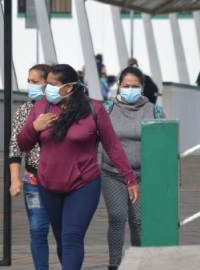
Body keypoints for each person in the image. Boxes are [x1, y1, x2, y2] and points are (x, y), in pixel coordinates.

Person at [17, 64, 139, 270]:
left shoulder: (94, 109)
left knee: (72, 236)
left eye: (53, 85)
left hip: (84, 184)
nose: (47, 89)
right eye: (46, 84)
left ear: (69, 87)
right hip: (48, 184)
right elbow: (22, 144)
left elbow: (112, 146)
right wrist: (33, 127)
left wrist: (129, 178)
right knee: (61, 239)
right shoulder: (41, 108)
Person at [101, 66, 166, 270]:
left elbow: (167, 142)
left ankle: (139, 262)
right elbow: (91, 137)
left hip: (142, 175)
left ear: (143, 88)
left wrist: (176, 170)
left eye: (135, 86)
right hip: (112, 174)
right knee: (117, 218)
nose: (130, 89)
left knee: (138, 221)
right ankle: (115, 264)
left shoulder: (154, 111)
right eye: (126, 86)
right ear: (119, 86)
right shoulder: (107, 109)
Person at [9, 64, 50, 270]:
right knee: (37, 229)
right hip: (33, 182)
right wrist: (15, 179)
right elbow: (15, 147)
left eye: (35, 82)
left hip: (61, 182)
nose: (30, 86)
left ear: (48, 84)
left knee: (64, 232)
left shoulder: (58, 110)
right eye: (28, 81)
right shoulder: (24, 110)